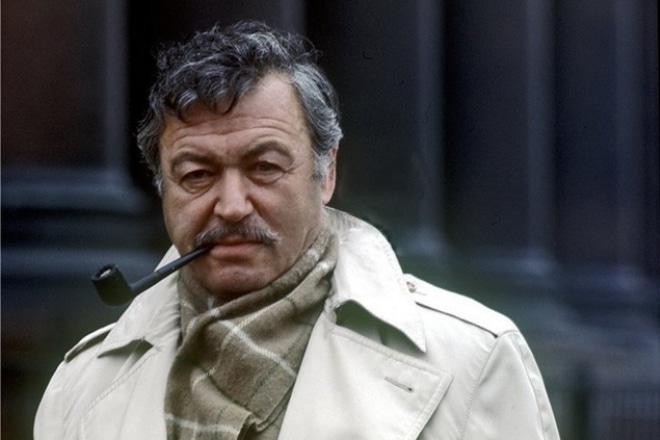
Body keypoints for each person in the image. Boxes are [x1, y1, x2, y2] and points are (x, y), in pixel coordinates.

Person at [34, 20, 560, 440]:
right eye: (197, 175)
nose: (232, 206)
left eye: (264, 167)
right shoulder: (81, 387)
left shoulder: (473, 358)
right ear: (161, 187)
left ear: (326, 173)